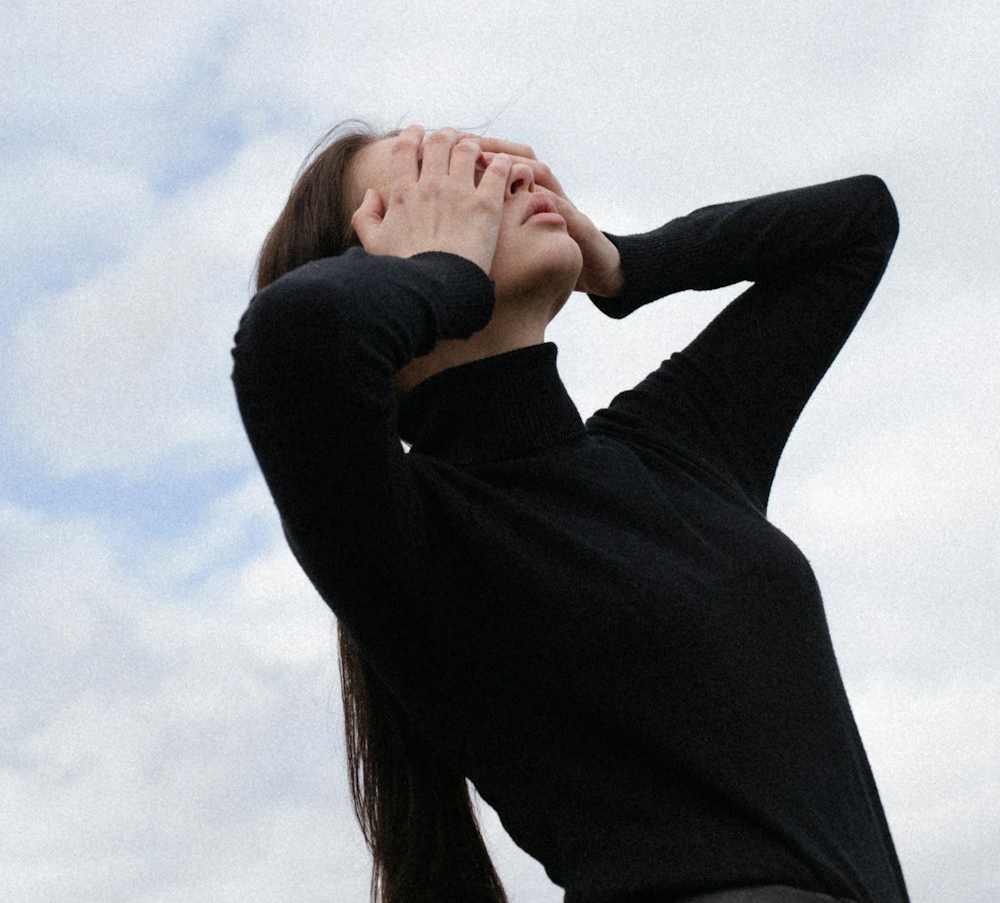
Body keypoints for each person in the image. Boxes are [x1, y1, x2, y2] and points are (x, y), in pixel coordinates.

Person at [231, 120, 909, 903]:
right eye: (442, 180)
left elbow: (859, 223)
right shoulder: (414, 537)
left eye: (492, 163)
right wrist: (448, 265)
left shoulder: (676, 448)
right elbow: (292, 336)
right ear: (377, 264)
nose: (504, 179)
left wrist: (626, 264)